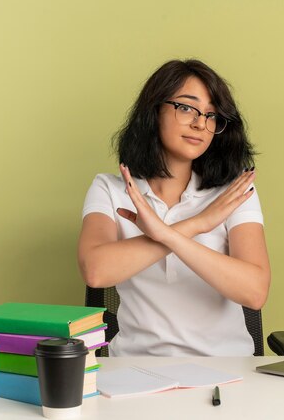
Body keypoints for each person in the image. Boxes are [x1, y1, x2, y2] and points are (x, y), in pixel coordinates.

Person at [77, 59, 270, 357]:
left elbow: (255, 292)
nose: (199, 124)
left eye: (211, 115)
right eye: (186, 108)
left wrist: (166, 235)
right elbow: (96, 271)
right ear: (153, 111)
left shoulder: (233, 193)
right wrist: (195, 225)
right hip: (135, 368)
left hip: (227, 369)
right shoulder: (110, 189)